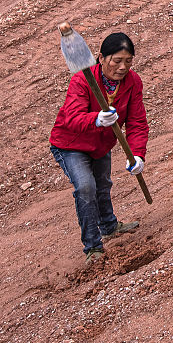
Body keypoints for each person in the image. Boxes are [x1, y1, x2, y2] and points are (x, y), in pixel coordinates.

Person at [49, 32, 149, 264]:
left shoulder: (133, 82)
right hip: (70, 144)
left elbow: (136, 122)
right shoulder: (82, 80)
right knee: (86, 187)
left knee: (103, 185)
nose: (123, 67)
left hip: (101, 144)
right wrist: (95, 119)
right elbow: (71, 117)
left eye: (128, 61)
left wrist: (137, 154)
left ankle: (109, 226)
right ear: (101, 58)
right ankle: (93, 247)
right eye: (116, 60)